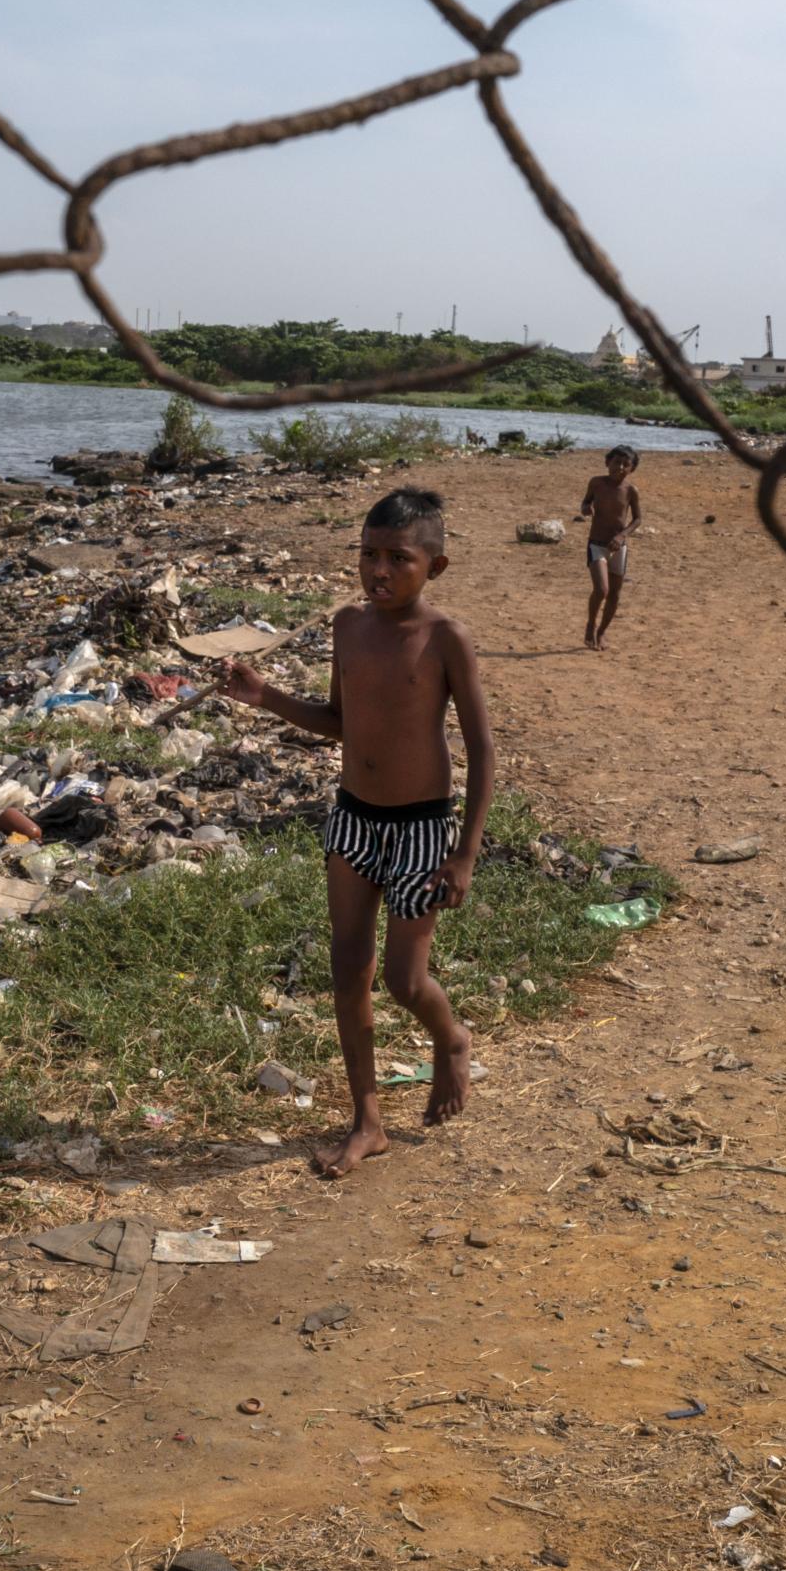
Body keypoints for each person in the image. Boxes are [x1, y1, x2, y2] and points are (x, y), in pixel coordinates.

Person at [217, 487, 493, 1177]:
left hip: (422, 827)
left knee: (404, 978)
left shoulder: (444, 639)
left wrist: (465, 853)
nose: (379, 569)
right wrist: (269, 698)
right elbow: (341, 720)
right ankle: (367, 1119)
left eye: (399, 557)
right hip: (354, 818)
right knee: (348, 968)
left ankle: (451, 1037)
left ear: (437, 565)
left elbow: (484, 751)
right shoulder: (347, 627)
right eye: (368, 553)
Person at [577, 445, 643, 650]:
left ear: (632, 469)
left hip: (618, 546)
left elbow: (638, 519)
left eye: (626, 465)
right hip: (596, 544)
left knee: (615, 593)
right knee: (601, 589)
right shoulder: (596, 483)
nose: (620, 467)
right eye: (616, 462)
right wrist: (587, 508)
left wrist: (622, 535)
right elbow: (585, 503)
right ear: (607, 462)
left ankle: (602, 631)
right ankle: (590, 624)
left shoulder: (630, 491)